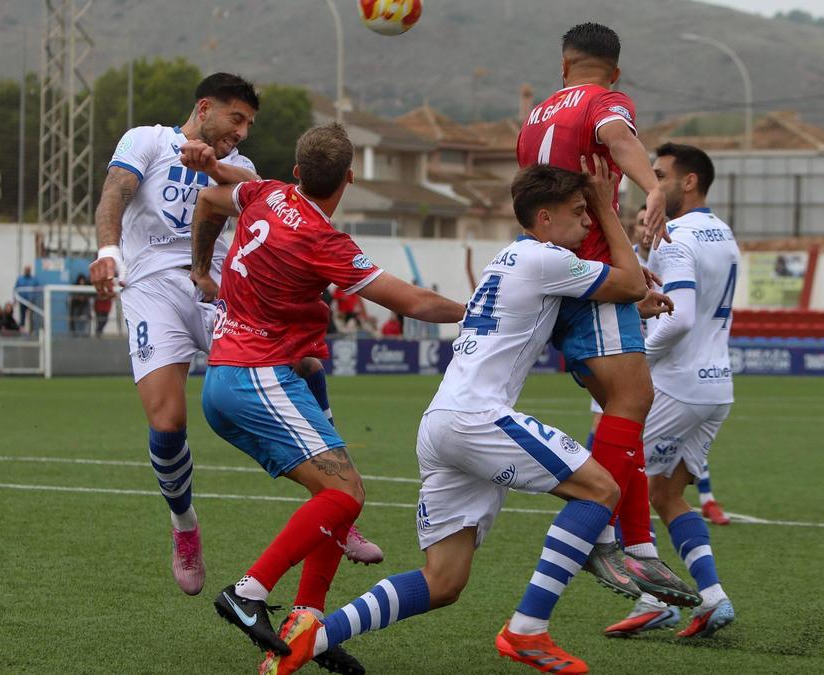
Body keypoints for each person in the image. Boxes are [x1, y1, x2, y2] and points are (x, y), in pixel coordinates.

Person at [258, 160, 650, 675]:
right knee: (600, 490)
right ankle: (527, 629)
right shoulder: (547, 258)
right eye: (579, 211)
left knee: (443, 581)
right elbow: (630, 282)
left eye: (589, 211)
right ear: (545, 218)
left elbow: (562, 313)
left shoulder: (511, 259)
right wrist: (607, 206)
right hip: (476, 418)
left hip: (442, 422)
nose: (587, 221)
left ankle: (310, 641)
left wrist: (635, 304)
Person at [88, 73, 381, 597]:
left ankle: (339, 506)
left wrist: (213, 174)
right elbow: (116, 190)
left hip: (216, 288)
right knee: (168, 420)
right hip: (151, 291)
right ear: (204, 108)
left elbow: (247, 195)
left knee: (306, 365)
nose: (242, 132)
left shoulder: (239, 167)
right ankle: (184, 526)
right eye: (236, 118)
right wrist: (109, 250)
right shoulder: (147, 140)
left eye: (248, 124)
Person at [191, 123, 465, 672]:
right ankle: (248, 591)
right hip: (256, 377)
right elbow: (413, 302)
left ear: (297, 172)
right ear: (349, 178)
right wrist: (482, 311)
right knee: (344, 493)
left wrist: (201, 268)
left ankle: (306, 620)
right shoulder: (323, 240)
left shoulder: (266, 193)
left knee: (338, 494)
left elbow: (208, 200)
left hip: (230, 375)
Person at [516, 22, 695, 608]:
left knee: (624, 407)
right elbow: (617, 137)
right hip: (592, 272)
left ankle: (637, 544)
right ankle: (605, 534)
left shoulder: (536, 116)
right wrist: (653, 188)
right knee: (634, 399)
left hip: (555, 270)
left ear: (563, 65)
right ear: (614, 71)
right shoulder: (604, 101)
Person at [606, 144, 737, 639]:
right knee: (665, 493)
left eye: (659, 176)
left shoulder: (674, 236)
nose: (652, 186)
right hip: (716, 387)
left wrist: (635, 358)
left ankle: (652, 599)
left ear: (690, 181)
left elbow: (677, 318)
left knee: (616, 485)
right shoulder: (722, 233)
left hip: (677, 385)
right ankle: (713, 597)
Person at [14, 265, 39, 331]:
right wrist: (15, 299)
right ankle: (22, 330)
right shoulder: (20, 279)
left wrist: (33, 299)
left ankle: (32, 331)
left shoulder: (34, 280)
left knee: (31, 317)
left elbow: (37, 290)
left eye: (28, 270)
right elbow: (16, 289)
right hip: (22, 301)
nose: (27, 271)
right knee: (22, 316)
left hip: (31, 301)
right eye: (26, 270)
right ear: (24, 270)